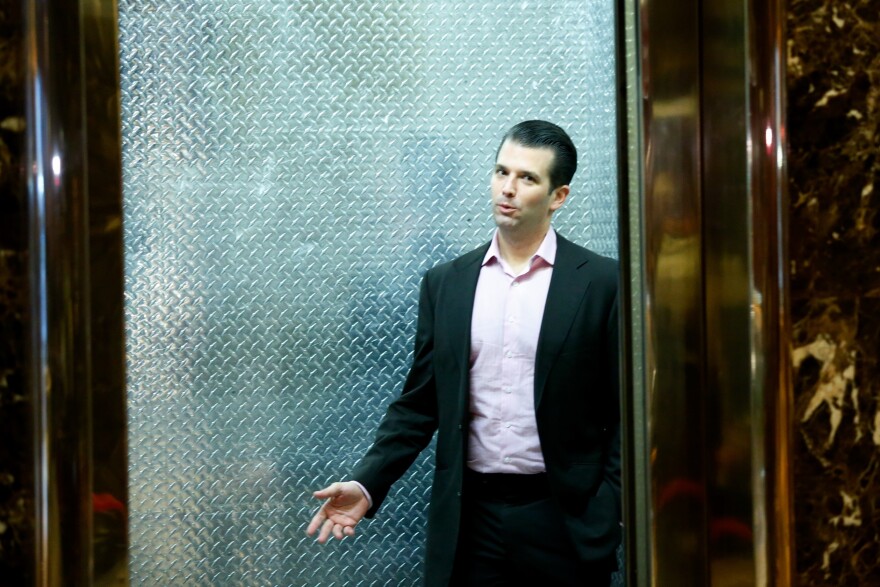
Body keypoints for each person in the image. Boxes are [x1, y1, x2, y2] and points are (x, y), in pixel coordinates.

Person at [307, 120, 621, 587]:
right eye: (501, 172)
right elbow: (419, 403)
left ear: (559, 196)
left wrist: (607, 510)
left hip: (564, 522)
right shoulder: (448, 283)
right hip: (469, 521)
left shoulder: (601, 283)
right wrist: (367, 483)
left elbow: (625, 412)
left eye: (527, 178)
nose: (508, 189)